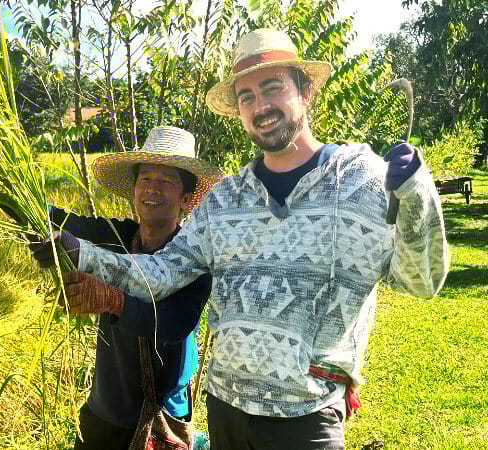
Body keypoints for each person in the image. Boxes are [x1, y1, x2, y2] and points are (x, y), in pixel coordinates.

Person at [42, 29, 448, 449]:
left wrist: (417, 194)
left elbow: (420, 281)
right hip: (225, 410)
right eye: (247, 97)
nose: (261, 107)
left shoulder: (362, 182)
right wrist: (77, 252)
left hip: (306, 417)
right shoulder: (225, 201)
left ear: (306, 92)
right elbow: (162, 271)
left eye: (272, 88)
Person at [29, 126, 224, 449]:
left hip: (159, 418)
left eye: (165, 182)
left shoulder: (194, 260)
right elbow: (57, 221)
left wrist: (112, 299)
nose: (152, 188)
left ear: (187, 200)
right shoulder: (118, 236)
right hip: (105, 408)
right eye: (145, 179)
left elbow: (171, 325)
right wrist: (16, 197)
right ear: (133, 190)